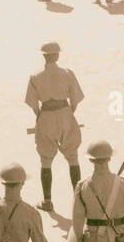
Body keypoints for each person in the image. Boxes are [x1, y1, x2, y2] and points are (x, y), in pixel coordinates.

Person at [25, 41, 84, 212]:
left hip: (46, 115)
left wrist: (41, 118)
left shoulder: (35, 77)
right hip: (65, 113)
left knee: (46, 161)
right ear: (57, 56)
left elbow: (33, 104)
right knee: (73, 157)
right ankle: (78, 200)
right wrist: (67, 114)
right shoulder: (67, 73)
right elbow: (75, 99)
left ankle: (47, 201)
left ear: (44, 56)